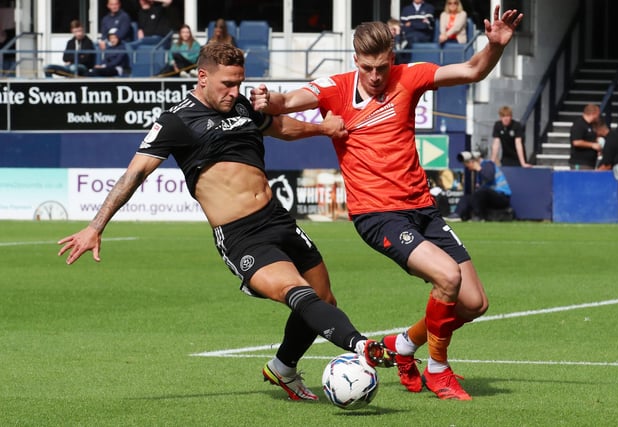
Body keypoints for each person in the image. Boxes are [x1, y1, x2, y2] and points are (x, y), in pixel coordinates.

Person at [57, 42, 395, 402]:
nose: (235, 92)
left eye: (240, 83)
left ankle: (282, 368)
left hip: (279, 219)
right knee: (299, 293)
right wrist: (96, 226)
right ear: (203, 77)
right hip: (242, 237)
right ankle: (361, 344)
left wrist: (323, 128)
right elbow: (135, 173)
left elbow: (280, 126)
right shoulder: (177, 120)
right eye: (227, 84)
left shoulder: (241, 105)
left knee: (325, 298)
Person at [251, 6, 523, 400]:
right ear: (355, 60)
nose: (375, 76)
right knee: (447, 277)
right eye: (367, 67)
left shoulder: (409, 78)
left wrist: (495, 46)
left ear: (392, 57)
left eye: (382, 66)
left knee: (474, 303)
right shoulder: (336, 87)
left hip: (422, 209)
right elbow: (287, 100)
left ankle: (402, 347)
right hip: (378, 216)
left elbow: (472, 71)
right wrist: (266, 98)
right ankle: (438, 369)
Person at [447, 151, 511, 221]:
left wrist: (478, 168)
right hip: (487, 197)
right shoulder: (478, 173)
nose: (468, 167)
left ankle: (478, 216)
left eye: (468, 164)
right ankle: (457, 215)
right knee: (467, 197)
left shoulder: (488, 164)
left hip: (502, 197)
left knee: (482, 192)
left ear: (473, 162)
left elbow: (489, 177)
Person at [569, 103, 602, 170]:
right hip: (580, 162)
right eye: (598, 114)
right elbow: (576, 142)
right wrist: (592, 145)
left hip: (590, 162)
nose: (598, 117)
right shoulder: (579, 124)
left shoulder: (591, 125)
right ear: (593, 114)